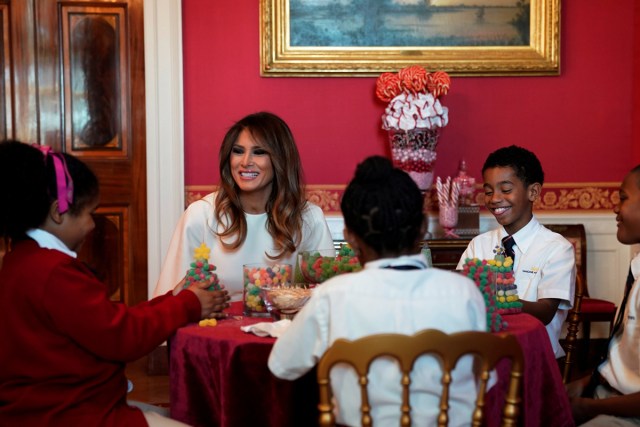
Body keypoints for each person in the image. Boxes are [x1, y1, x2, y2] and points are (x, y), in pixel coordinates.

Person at [0, 140, 229, 426]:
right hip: (70, 414)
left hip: (56, 405)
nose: (93, 225)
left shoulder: (20, 260)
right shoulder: (54, 273)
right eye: (88, 214)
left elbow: (108, 321)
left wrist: (174, 297)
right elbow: (124, 336)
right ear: (59, 212)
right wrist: (188, 304)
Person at [268, 156, 487, 426]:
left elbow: (282, 365)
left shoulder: (332, 295)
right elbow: (483, 381)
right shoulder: (465, 293)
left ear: (349, 236)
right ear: (422, 228)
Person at [153, 112, 334, 301]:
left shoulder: (309, 217)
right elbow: (170, 301)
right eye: (238, 151)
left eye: (259, 152)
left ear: (281, 159)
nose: (245, 162)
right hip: (214, 329)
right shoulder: (200, 215)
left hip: (284, 329)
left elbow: (325, 298)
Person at [456, 145, 575, 358]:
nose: (494, 199)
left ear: (533, 191)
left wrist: (496, 297)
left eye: (506, 189)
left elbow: (546, 312)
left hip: (535, 356)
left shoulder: (557, 248)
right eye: (488, 191)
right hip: (486, 354)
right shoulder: (478, 244)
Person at [568, 165, 640, 426]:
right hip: (605, 395)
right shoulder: (637, 267)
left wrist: (588, 408)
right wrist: (587, 383)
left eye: (623, 198)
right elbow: (624, 352)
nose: (615, 208)